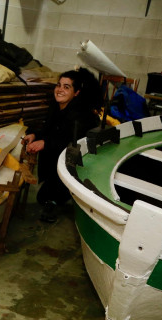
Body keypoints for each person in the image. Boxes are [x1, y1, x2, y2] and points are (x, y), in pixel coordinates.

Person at [22, 68, 100, 223]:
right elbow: (48, 128)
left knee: (46, 197)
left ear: (76, 93)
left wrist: (45, 143)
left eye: (66, 87)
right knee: (43, 196)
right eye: (58, 85)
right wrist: (35, 135)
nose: (59, 90)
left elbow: (72, 141)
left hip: (73, 164)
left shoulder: (81, 115)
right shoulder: (56, 107)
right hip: (55, 159)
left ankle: (67, 192)